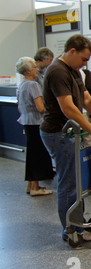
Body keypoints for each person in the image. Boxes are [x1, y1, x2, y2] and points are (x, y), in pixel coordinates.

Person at [40, 34, 91, 242]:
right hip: (58, 133)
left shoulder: (74, 71)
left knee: (76, 182)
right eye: (84, 59)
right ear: (72, 51)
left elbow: (86, 98)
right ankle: (71, 229)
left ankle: (76, 224)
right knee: (70, 183)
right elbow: (68, 107)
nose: (85, 63)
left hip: (70, 133)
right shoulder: (57, 71)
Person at [15, 57, 54, 196]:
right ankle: (35, 188)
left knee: (31, 154)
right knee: (37, 155)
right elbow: (41, 108)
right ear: (28, 71)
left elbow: (20, 107)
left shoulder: (22, 85)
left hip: (27, 122)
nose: (37, 69)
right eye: (34, 67)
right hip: (37, 123)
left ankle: (31, 184)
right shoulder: (33, 85)